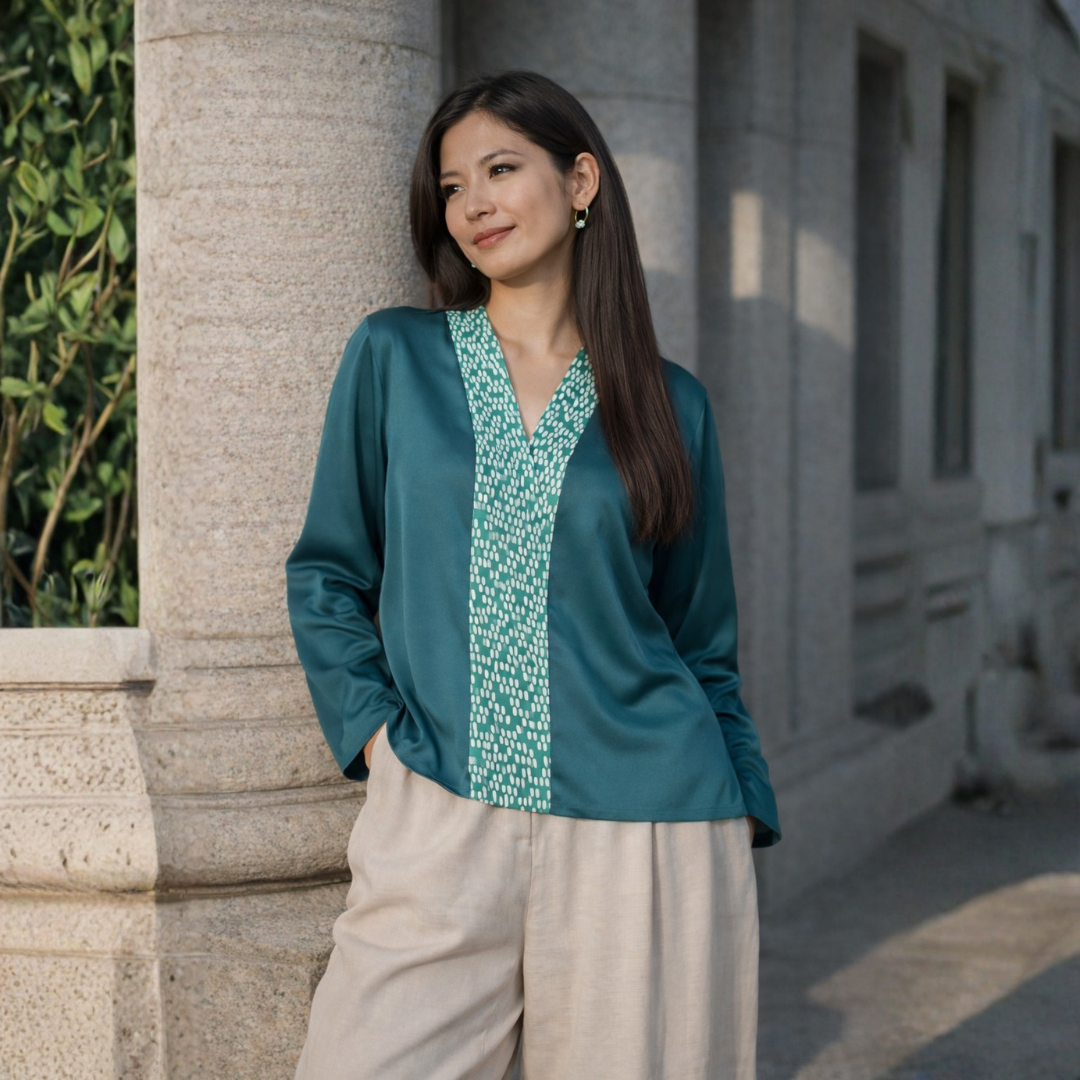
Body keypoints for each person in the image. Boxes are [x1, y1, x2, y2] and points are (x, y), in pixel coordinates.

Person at [285, 68, 781, 1080]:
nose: (474, 203)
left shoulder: (669, 408)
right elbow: (328, 573)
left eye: (501, 169)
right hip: (440, 815)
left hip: (645, 830)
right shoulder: (395, 358)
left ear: (582, 180)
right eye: (454, 185)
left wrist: (739, 803)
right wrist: (382, 747)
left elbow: (701, 640)